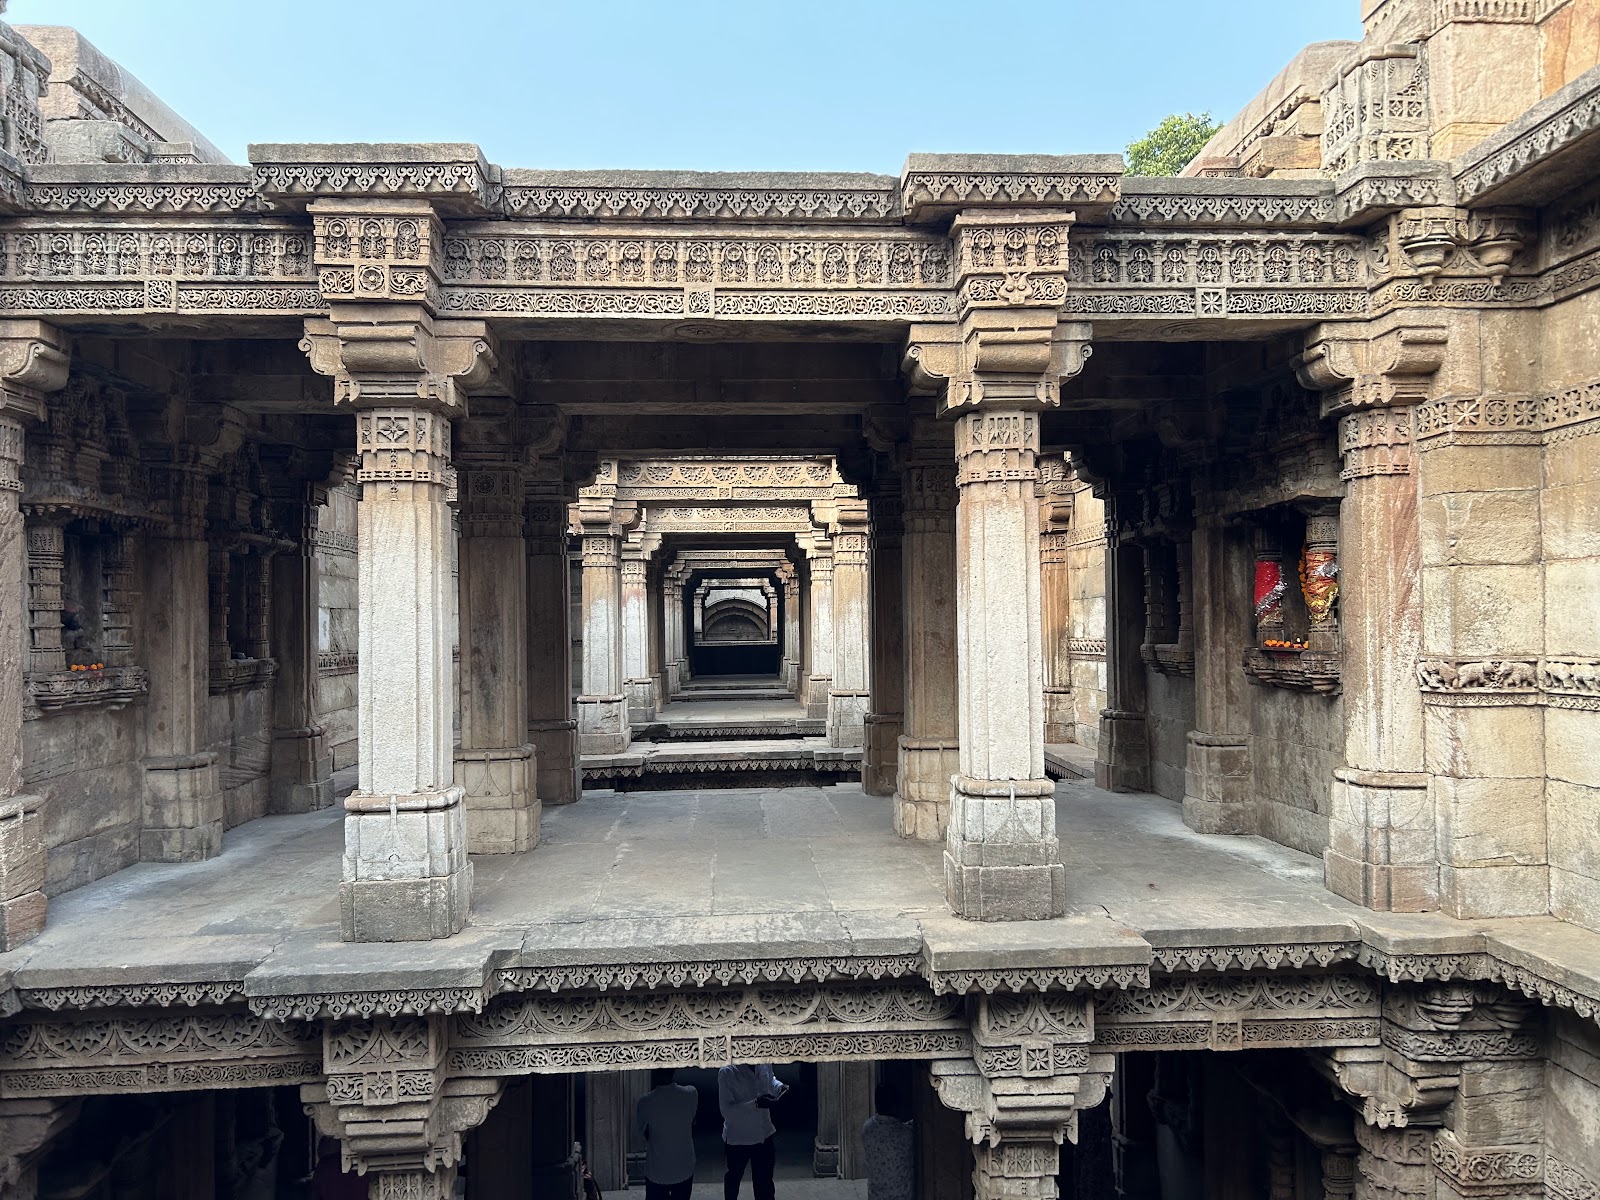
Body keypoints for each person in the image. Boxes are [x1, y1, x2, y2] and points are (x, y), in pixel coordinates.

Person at [718, 1063, 786, 1200]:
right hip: (738, 1138)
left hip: (764, 1133)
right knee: (733, 1182)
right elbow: (727, 1111)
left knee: (765, 1185)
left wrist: (779, 1086)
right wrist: (756, 1104)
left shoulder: (763, 1062)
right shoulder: (727, 1072)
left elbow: (770, 1079)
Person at [637, 1067, 700, 1200]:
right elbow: (692, 1122)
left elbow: (644, 1134)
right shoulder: (691, 1094)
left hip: (657, 1170)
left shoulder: (645, 1102)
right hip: (684, 1166)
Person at [862, 1084, 915, 1200]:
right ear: (896, 1106)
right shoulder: (907, 1135)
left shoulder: (867, 1128)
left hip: (876, 1196)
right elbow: (903, 1130)